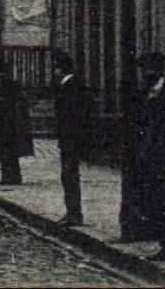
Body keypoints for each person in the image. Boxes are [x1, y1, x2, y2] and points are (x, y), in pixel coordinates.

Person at [119, 51, 165, 261]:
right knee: (157, 203)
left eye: (149, 69)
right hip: (151, 157)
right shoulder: (145, 94)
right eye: (144, 70)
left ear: (159, 69)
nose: (146, 73)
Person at [52, 49, 91, 227]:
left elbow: (74, 115)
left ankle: (74, 214)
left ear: (60, 69)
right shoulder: (70, 85)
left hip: (71, 139)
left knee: (69, 176)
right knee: (68, 176)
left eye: (56, 68)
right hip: (70, 138)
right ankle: (72, 212)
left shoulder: (71, 87)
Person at [0, 59, 34, 185]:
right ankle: (11, 177)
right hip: (8, 124)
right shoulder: (10, 85)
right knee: (8, 153)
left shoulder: (8, 86)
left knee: (8, 152)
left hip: (9, 124)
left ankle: (11, 177)